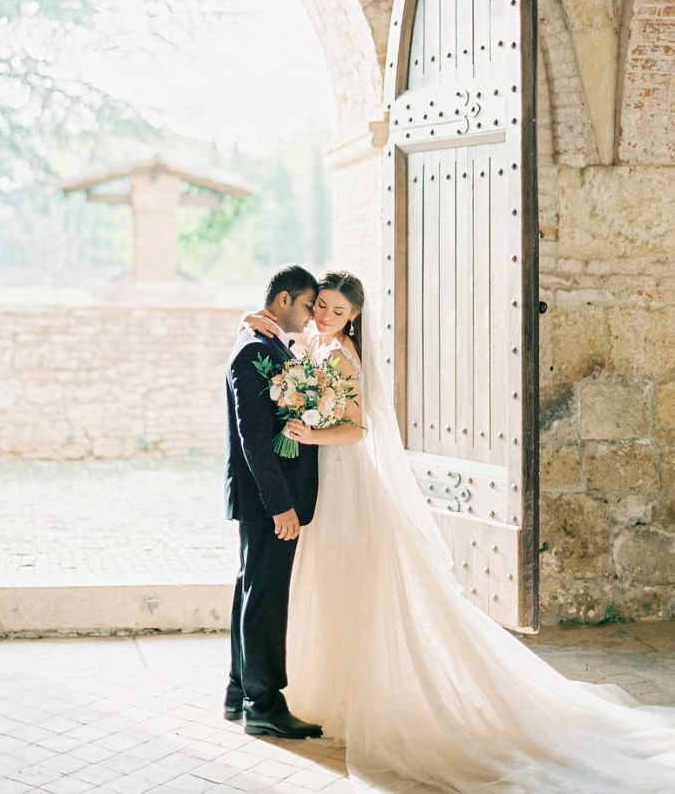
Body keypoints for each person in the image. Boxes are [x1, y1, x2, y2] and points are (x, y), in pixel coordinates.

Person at [244, 269, 675, 792]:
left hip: (345, 481)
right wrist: (251, 321)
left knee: (354, 584)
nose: (327, 317)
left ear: (355, 318)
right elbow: (279, 346)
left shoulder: (341, 357)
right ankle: (310, 690)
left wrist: (311, 434)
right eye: (323, 307)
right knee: (327, 584)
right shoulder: (310, 339)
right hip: (320, 483)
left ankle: (360, 697)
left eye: (338, 311)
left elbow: (358, 429)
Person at [224, 264, 323, 739]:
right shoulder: (253, 351)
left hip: (266, 497)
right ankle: (263, 704)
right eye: (307, 306)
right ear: (283, 300)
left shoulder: (264, 342)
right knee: (265, 597)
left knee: (252, 589)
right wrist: (280, 504)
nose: (309, 318)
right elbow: (253, 440)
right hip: (269, 499)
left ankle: (238, 688)